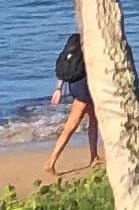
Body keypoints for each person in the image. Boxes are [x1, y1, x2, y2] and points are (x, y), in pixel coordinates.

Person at [42, 28, 100, 177]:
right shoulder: (88, 46)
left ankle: (94, 156)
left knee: (94, 121)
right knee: (70, 127)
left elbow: (65, 69)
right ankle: (51, 162)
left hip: (75, 87)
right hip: (85, 90)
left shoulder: (72, 45)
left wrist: (58, 89)